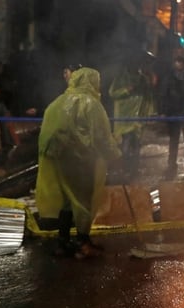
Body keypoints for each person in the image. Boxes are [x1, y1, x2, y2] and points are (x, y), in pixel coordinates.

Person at [35, 67, 122, 259]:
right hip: (82, 160)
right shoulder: (92, 105)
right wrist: (114, 155)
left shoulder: (58, 102)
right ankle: (83, 242)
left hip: (58, 158)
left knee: (67, 200)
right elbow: (101, 136)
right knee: (83, 200)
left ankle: (63, 241)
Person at [109, 54, 156, 181]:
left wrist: (149, 114)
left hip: (138, 119)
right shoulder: (120, 78)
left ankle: (133, 170)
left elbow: (148, 98)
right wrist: (126, 90)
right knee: (125, 145)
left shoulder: (142, 79)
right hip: (124, 119)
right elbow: (112, 93)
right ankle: (125, 169)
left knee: (136, 145)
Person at [157, 56, 184, 180]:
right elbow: (163, 94)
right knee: (173, 141)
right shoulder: (169, 76)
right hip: (173, 113)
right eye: (176, 62)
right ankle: (171, 166)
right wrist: (163, 111)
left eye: (180, 62)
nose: (178, 65)